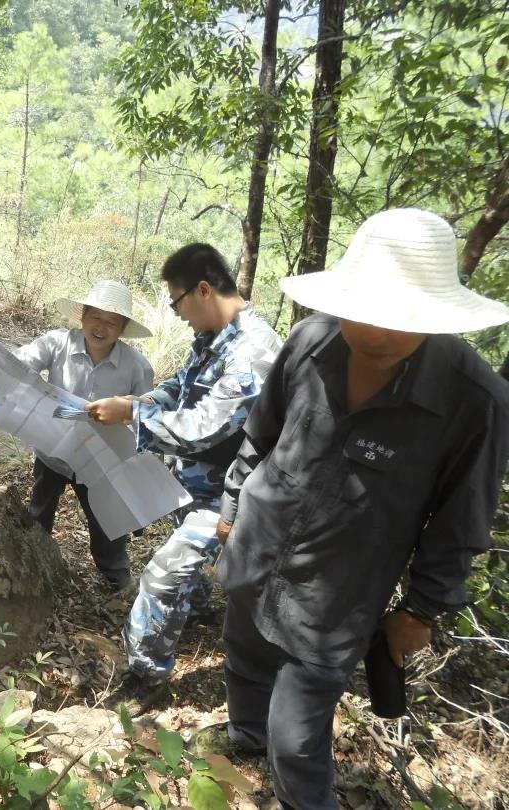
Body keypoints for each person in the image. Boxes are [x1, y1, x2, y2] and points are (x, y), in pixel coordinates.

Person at [201, 208, 509, 810]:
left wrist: (421, 609)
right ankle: (244, 737)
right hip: (255, 547)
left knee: (296, 737)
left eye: (401, 318)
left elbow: (462, 519)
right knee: (243, 660)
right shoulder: (312, 340)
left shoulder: (475, 400)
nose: (376, 333)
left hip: (338, 593)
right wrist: (232, 507)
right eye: (364, 310)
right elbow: (261, 434)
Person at [84, 244, 281, 713]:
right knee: (185, 570)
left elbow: (205, 426)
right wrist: (144, 401)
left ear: (203, 290)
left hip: (234, 494)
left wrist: (131, 415)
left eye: (176, 302)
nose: (178, 314)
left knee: (162, 575)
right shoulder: (217, 337)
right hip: (198, 483)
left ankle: (146, 678)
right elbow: (182, 387)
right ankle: (195, 610)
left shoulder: (254, 350)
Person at [0, 279, 154, 588]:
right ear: (82, 317)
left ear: (121, 329)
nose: (101, 327)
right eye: (95, 317)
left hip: (100, 459)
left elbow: (148, 413)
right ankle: (33, 565)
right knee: (40, 508)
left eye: (112, 322)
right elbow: (18, 362)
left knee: (107, 521)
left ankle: (117, 577)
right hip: (54, 448)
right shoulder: (57, 343)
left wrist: (128, 409)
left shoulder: (136, 366)